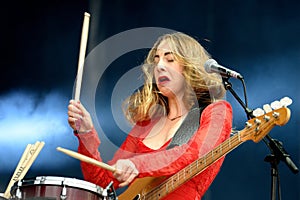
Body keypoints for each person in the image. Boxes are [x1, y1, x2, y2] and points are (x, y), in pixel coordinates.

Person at [67, 32, 232, 199]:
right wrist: (86, 133)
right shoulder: (146, 124)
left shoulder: (217, 112)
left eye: (169, 59)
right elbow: (103, 182)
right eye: (156, 60)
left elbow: (194, 152)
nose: (159, 66)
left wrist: (137, 165)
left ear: (190, 66)